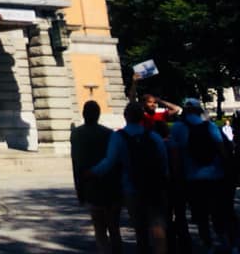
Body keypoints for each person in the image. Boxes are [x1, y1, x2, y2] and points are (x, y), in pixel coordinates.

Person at [89, 101, 169, 254]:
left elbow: (109, 162)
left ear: (125, 117)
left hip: (131, 187)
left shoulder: (118, 137)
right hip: (155, 186)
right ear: (141, 117)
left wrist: (93, 172)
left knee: (140, 229)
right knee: (158, 226)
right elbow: (163, 162)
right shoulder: (153, 136)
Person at [169, 98, 233, 252]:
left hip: (192, 178)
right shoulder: (209, 125)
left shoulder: (178, 127)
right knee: (218, 211)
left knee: (201, 216)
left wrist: (177, 178)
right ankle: (226, 242)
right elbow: (222, 149)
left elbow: (175, 156)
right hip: (215, 175)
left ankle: (208, 245)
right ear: (199, 110)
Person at [71, 101, 123, 254]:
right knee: (114, 228)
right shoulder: (109, 133)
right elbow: (116, 160)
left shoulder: (76, 134)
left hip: (90, 186)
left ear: (84, 114)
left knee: (99, 229)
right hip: (111, 186)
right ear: (99, 115)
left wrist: (79, 189)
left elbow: (76, 164)